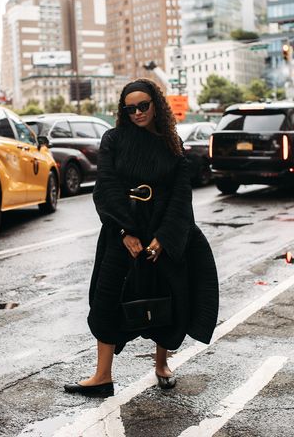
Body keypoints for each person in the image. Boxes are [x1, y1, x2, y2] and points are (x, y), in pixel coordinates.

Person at [64, 78, 219, 397]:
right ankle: (102, 376)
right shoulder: (113, 139)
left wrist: (164, 237)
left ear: (156, 105)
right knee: (105, 298)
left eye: (143, 106)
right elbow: (105, 185)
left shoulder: (171, 142)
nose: (137, 112)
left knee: (168, 296)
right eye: (130, 108)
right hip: (122, 231)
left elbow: (181, 193)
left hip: (162, 231)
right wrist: (125, 231)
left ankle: (162, 365)